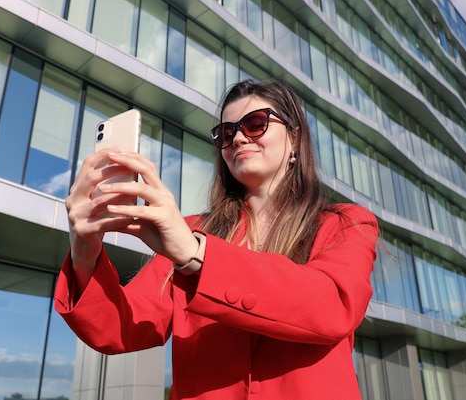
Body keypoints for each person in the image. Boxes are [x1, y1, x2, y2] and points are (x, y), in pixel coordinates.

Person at [54, 79, 379, 400]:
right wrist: (85, 249)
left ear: (294, 136)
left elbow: (333, 306)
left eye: (255, 124)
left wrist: (197, 255)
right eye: (225, 133)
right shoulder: (191, 229)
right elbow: (121, 328)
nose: (237, 137)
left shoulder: (344, 223)